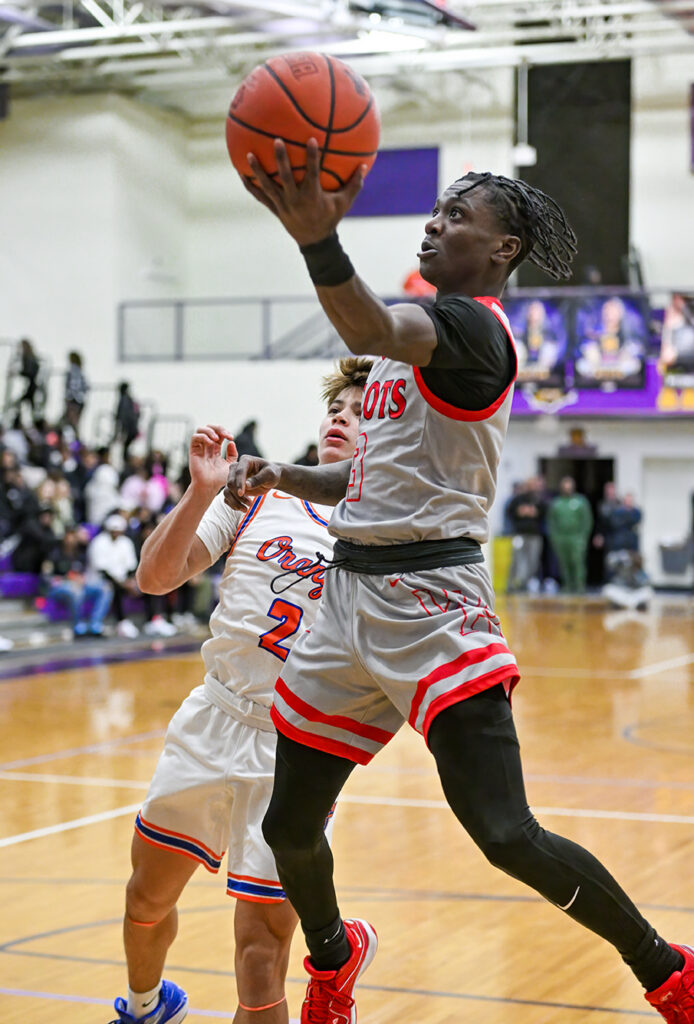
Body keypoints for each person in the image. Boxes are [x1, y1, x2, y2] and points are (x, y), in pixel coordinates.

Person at [225, 140, 694, 1024]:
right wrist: (283, 475)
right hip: (347, 597)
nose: (436, 224)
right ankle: (335, 958)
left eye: (458, 217)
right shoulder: (411, 351)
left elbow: (364, 326)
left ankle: (667, 968)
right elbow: (368, 487)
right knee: (289, 828)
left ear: (503, 249)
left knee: (505, 835)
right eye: (436, 211)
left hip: (432, 602)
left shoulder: (472, 328)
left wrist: (317, 239)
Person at [108, 358, 370, 1024]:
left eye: (363, 412)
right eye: (337, 407)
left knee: (260, 956)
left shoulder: (387, 531)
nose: (342, 417)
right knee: (145, 898)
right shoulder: (262, 494)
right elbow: (155, 577)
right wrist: (200, 492)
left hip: (296, 747)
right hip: (214, 718)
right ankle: (145, 1006)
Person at [43, 525, 112, 637]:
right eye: (68, 536)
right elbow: (47, 576)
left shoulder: (80, 553)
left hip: (79, 584)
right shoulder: (54, 553)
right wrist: (66, 579)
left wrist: (80, 578)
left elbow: (83, 572)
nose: (71, 540)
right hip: (60, 587)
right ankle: (77, 625)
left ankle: (95, 624)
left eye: (74, 536)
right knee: (76, 591)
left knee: (105, 588)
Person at [88, 513, 139, 637]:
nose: (116, 533)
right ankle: (121, 621)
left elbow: (131, 565)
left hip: (123, 579)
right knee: (112, 588)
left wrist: (129, 581)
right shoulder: (99, 542)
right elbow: (101, 569)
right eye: (113, 531)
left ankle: (154, 619)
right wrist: (122, 583)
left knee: (148, 586)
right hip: (101, 580)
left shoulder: (126, 543)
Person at [548, 476, 594, 593]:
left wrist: (583, 537)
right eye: (565, 485)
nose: (567, 488)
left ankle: (579, 586)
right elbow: (551, 522)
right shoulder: (556, 503)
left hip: (576, 537)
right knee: (564, 563)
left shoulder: (581, 501)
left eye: (569, 485)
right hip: (562, 538)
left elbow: (587, 520)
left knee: (577, 562)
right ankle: (567, 586)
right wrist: (555, 537)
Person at [113, 382, 141, 461]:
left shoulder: (124, 399)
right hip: (132, 427)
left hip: (127, 427)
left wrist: (121, 429)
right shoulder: (130, 399)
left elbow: (122, 415)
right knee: (126, 447)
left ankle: (125, 461)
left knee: (125, 448)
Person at [63, 350, 89, 436]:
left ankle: (76, 445)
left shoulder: (72, 371)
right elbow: (85, 386)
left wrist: (68, 398)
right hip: (79, 400)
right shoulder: (80, 371)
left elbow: (72, 386)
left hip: (73, 400)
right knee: (75, 423)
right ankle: (75, 444)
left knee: (73, 423)